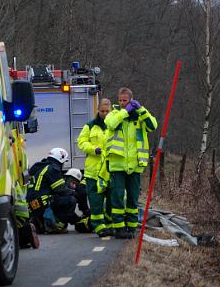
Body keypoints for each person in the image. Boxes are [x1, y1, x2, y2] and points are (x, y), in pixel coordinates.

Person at [104, 87, 158, 239]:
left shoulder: (139, 117)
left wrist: (141, 110)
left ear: (131, 100)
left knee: (133, 198)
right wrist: (125, 111)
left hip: (135, 165)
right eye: (120, 100)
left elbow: (153, 125)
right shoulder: (114, 114)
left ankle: (132, 228)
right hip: (117, 164)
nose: (122, 103)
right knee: (118, 197)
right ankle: (119, 228)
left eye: (125, 101)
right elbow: (111, 123)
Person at [77, 98, 112, 236]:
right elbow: (81, 142)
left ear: (111, 110)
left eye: (107, 111)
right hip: (94, 171)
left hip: (110, 170)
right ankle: (99, 227)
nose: (104, 113)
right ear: (98, 110)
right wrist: (93, 149)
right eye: (102, 111)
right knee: (96, 200)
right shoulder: (90, 126)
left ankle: (110, 225)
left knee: (112, 199)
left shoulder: (115, 125)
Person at [27, 147, 78, 233]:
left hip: (32, 205)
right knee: (70, 200)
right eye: (63, 162)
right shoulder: (53, 168)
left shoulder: (41, 166)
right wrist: (74, 193)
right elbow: (61, 189)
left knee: (56, 198)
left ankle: (41, 224)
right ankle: (58, 226)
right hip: (43, 202)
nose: (63, 165)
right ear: (60, 160)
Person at [64, 168, 92, 233]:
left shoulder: (65, 185)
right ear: (69, 179)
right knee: (71, 199)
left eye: (76, 184)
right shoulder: (60, 187)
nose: (74, 186)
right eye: (73, 183)